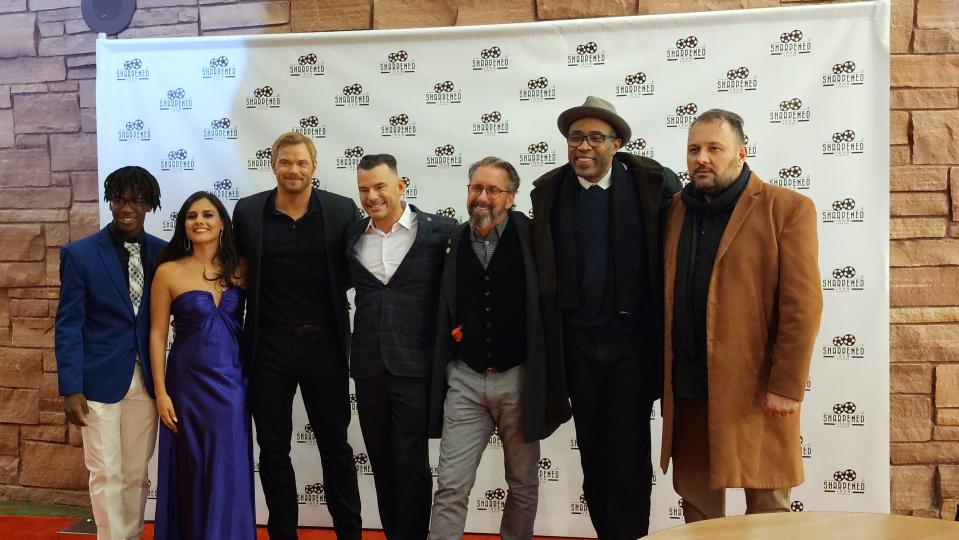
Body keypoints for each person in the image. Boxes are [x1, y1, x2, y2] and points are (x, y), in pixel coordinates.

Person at [660, 109, 822, 521]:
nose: (702, 158)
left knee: (769, 509)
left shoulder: (786, 208)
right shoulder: (675, 209)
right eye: (694, 149)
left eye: (715, 148)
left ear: (741, 153)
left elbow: (802, 307)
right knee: (697, 508)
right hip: (690, 387)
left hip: (757, 389)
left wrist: (786, 385)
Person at [530, 96, 680, 539]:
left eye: (596, 137)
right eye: (576, 137)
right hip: (577, 346)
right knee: (592, 453)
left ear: (616, 143)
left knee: (629, 452)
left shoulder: (651, 185)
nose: (583, 146)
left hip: (632, 343)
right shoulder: (551, 193)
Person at [428, 157, 571, 540]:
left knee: (523, 484)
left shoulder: (535, 235)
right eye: (476, 188)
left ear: (511, 198)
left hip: (519, 379)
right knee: (451, 485)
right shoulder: (452, 241)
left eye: (493, 190)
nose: (482, 197)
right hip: (465, 380)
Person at [232, 132, 362, 540]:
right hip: (268, 343)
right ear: (272, 165)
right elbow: (235, 270)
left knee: (336, 447)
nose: (294, 170)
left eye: (301, 163)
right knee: (273, 450)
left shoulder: (341, 211)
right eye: (286, 162)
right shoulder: (249, 212)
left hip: (324, 342)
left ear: (314, 167)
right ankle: (283, 534)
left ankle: (350, 534)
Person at [346, 154, 456, 540]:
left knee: (410, 463)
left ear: (400, 185)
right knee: (381, 462)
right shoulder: (352, 235)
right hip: (368, 366)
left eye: (379, 186)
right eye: (363, 189)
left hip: (416, 365)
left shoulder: (440, 231)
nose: (371, 196)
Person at [54, 165, 165, 540]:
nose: (127, 207)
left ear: (149, 203)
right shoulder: (80, 254)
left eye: (136, 199)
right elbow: (69, 324)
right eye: (119, 198)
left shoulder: (164, 255)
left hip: (147, 381)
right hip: (97, 381)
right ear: (110, 201)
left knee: (136, 474)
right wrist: (71, 387)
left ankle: (129, 536)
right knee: (105, 471)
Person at [149, 191, 254, 539]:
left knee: (230, 468)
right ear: (183, 225)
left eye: (208, 215)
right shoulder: (168, 271)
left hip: (234, 384)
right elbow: (157, 334)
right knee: (191, 467)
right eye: (191, 216)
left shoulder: (241, 268)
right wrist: (161, 392)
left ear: (222, 222)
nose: (200, 221)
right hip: (186, 386)